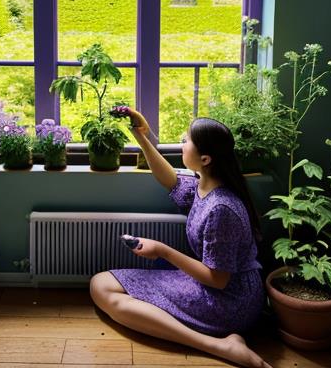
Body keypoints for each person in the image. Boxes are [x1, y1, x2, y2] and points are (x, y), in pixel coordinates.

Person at [90, 109, 272, 368]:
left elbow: (218, 280)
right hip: (211, 287)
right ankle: (218, 342)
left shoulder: (222, 208)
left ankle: (220, 346)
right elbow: (170, 180)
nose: (181, 141)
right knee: (101, 284)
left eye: (186, 140)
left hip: (231, 301)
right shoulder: (204, 184)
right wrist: (142, 136)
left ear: (205, 159)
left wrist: (163, 251)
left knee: (104, 290)